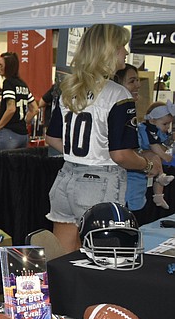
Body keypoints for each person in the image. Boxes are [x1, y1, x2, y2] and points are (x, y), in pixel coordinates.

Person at [45, 24, 162, 252]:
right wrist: (148, 164)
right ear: (108, 50)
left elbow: (52, 138)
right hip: (100, 181)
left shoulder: (69, 88)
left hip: (65, 178)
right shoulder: (117, 94)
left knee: (62, 256)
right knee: (105, 257)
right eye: (122, 47)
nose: (125, 53)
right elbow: (120, 155)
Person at [127, 101, 174, 210]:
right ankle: (159, 188)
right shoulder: (148, 129)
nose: (167, 127)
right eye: (165, 124)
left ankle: (158, 195)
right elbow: (154, 147)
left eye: (169, 124)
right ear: (152, 120)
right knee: (157, 160)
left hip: (148, 160)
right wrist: (166, 156)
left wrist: (169, 141)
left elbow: (161, 146)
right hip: (141, 157)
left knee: (158, 164)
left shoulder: (158, 130)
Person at [0, 51, 38, 150]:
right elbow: (35, 109)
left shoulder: (8, 83)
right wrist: (24, 121)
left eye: (0, 64)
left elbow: (11, 109)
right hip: (23, 134)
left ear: (8, 66)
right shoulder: (23, 84)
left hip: (9, 133)